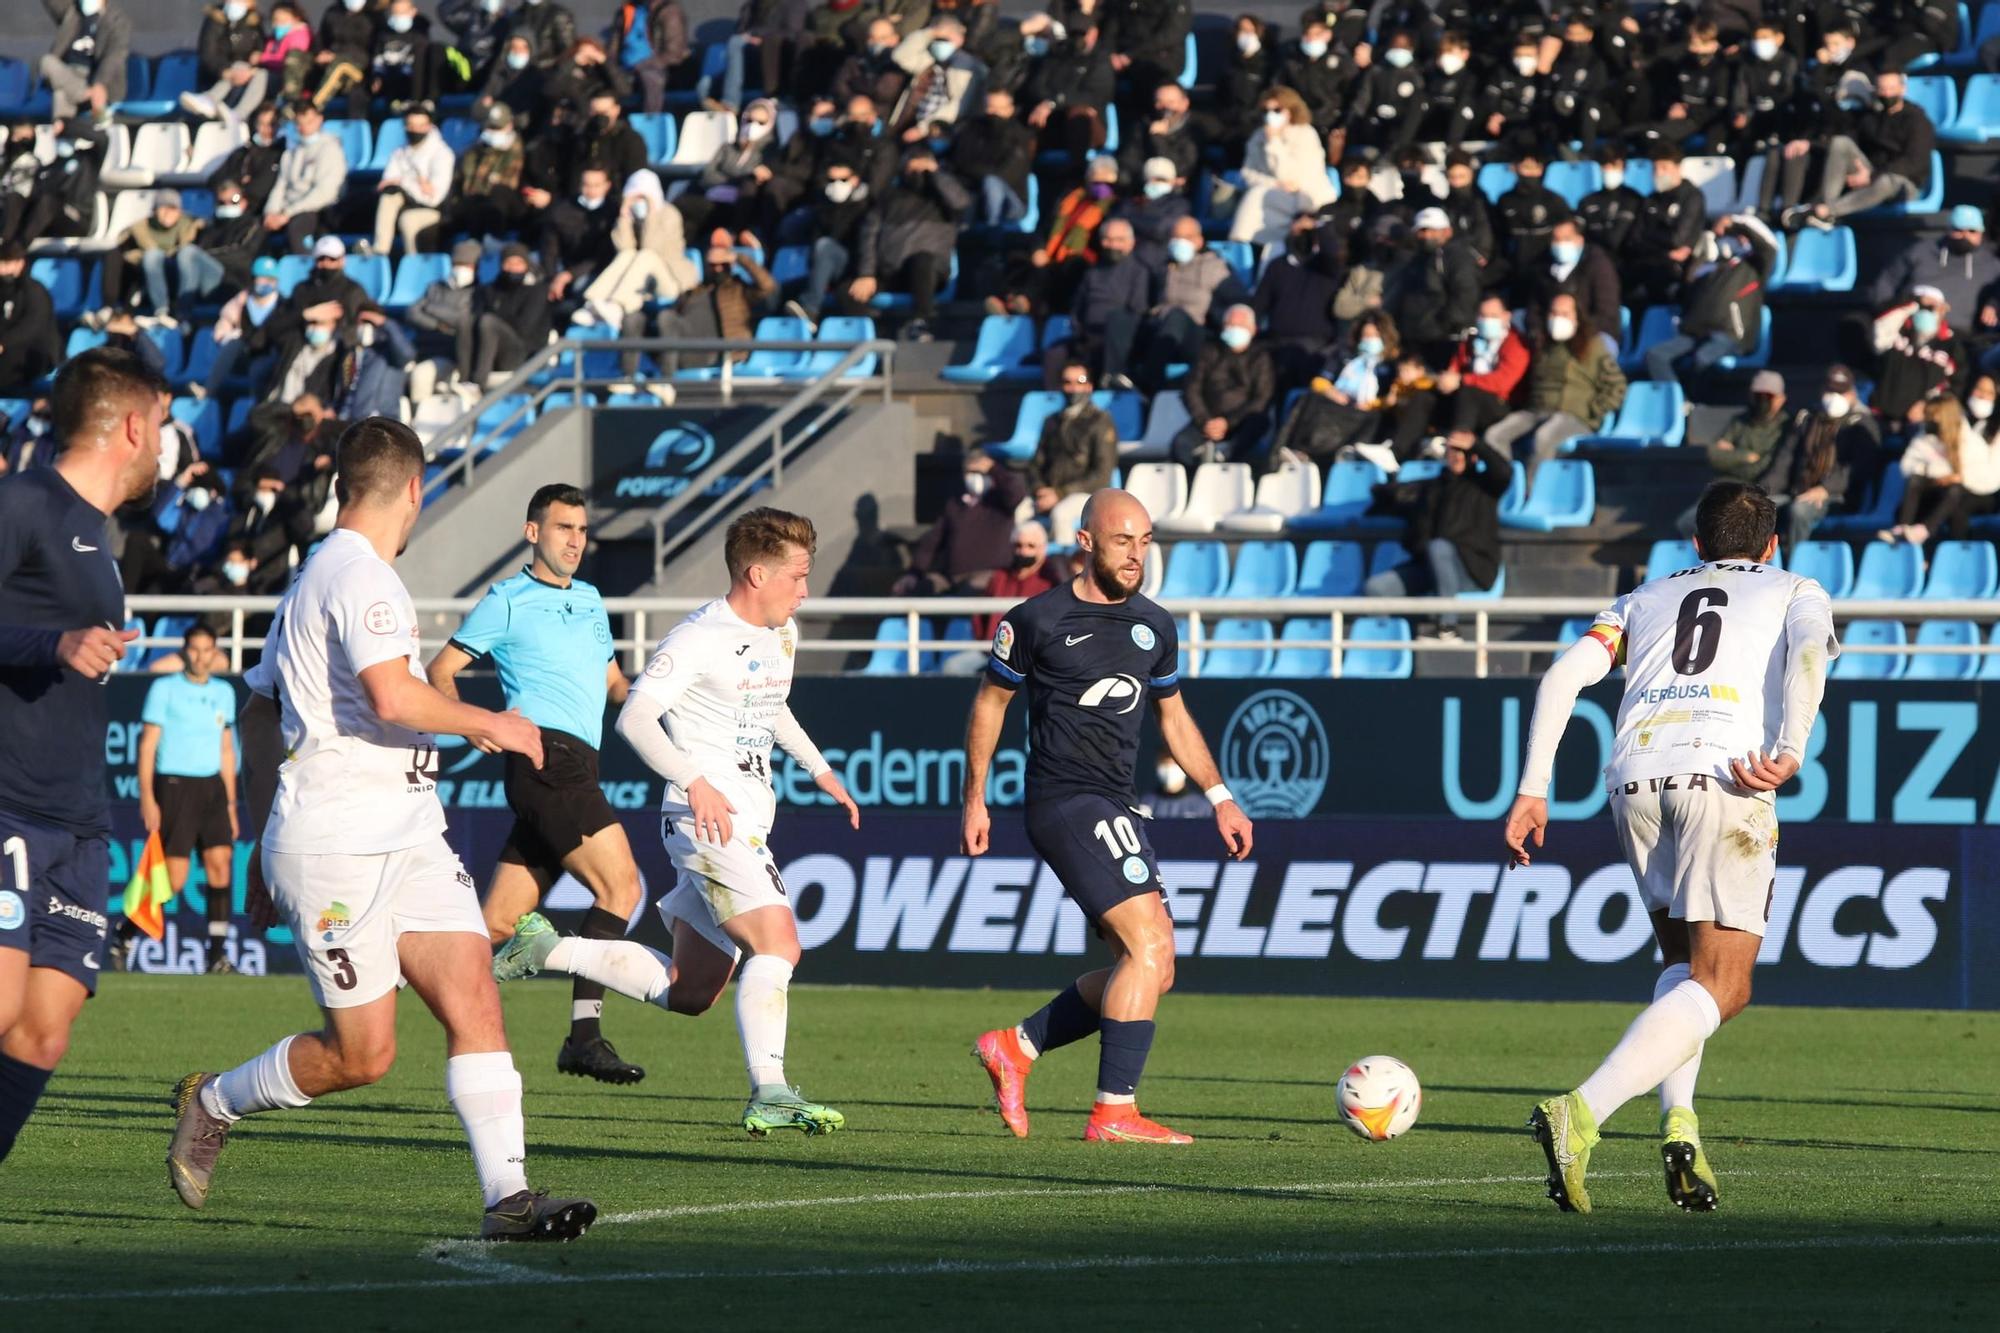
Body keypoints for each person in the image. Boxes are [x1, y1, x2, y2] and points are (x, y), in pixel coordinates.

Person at [165, 417, 595, 1240]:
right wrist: (492, 723)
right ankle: (213, 1098)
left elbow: (257, 712)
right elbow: (395, 698)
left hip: (409, 832)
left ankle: (508, 1196)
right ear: (414, 489)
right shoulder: (359, 577)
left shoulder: (313, 576)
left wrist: (261, 829)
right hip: (338, 845)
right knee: (364, 1055)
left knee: (474, 996)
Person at [1507, 480, 1839, 1215]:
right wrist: (1790, 748)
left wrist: (1533, 787)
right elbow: (1812, 650)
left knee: (1683, 967)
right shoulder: (1794, 587)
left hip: (1635, 779)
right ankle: (1581, 1110)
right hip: (1724, 776)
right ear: (1772, 543)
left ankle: (1680, 1128)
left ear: (1697, 544)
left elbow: (1563, 675)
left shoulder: (1643, 597)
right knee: (1728, 985)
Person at [498, 509, 863, 1137]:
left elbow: (770, 707)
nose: (805, 590)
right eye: (798, 576)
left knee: (689, 991)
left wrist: (820, 769)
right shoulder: (698, 638)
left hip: (746, 816)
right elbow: (635, 717)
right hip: (706, 821)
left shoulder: (782, 632)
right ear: (757, 573)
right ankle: (770, 1090)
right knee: (779, 944)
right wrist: (695, 781)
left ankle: (545, 947)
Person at [966, 488, 1253, 1145]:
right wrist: (975, 796)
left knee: (1151, 963)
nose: (1136, 554)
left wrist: (1219, 795)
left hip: (1115, 801)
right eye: (1123, 541)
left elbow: (1172, 716)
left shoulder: (1155, 625)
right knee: (1150, 943)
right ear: (1086, 541)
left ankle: (1018, 1045)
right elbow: (991, 705)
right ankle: (1113, 1112)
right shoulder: (1035, 619)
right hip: (1065, 800)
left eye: (1146, 541)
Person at [0, 348, 164, 1165]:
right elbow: (33, 641)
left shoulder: (100, 539)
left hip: (80, 826)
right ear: (133, 425)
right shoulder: (24, 501)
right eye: (163, 424)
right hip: (9, 806)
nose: (166, 445)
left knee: (43, 1030)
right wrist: (52, 641)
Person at [427, 485, 650, 1084]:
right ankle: (584, 1037)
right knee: (621, 888)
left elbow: (614, 685)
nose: (575, 541)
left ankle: (395, 974)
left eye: (581, 530)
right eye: (562, 529)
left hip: (577, 766)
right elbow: (440, 672)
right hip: (547, 761)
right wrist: (476, 726)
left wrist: (672, 703)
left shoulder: (594, 600)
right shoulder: (507, 599)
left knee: (496, 925)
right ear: (533, 533)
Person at [137, 625, 240, 974]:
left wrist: (230, 803)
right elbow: (148, 744)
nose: (200, 656)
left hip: (212, 788)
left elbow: (227, 750)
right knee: (175, 880)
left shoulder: (224, 692)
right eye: (194, 649)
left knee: (222, 865)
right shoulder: (164, 689)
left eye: (206, 649)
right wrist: (147, 797)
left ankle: (217, 956)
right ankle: (124, 932)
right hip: (176, 784)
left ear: (215, 653)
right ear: (184, 652)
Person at [1363, 432, 1514, 631]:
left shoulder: (1485, 486)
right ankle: (1383, 647)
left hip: (1472, 570)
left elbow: (1504, 473)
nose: (1457, 456)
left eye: (1463, 452)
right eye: (1453, 452)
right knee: (1376, 588)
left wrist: (1477, 445)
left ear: (1474, 456)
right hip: (1430, 568)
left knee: (1439, 547)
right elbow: (1384, 493)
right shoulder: (1431, 488)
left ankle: (1447, 627)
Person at [1485, 295, 1627, 478]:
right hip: (1536, 411)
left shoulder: (1593, 346)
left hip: (1574, 416)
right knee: (1494, 436)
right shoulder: (1542, 345)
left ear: (1577, 317)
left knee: (1545, 437)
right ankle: (1509, 485)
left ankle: (1532, 492)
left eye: (1564, 314)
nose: (1558, 318)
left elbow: (1617, 386)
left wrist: (1593, 409)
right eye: (1554, 313)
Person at [1785, 68, 1936, 229]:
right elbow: (1850, 138)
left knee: (1886, 181)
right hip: (1871, 172)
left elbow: (1914, 163)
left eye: (1891, 89)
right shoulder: (1872, 116)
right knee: (1840, 142)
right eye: (1882, 89)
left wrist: (1872, 175)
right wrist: (1809, 144)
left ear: (1902, 89)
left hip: (1902, 182)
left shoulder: (1918, 121)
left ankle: (1826, 210)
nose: (1886, 94)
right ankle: (1826, 208)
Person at [1645, 214, 1780, 389]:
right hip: (1693, 333)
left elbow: (1768, 248)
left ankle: (1694, 400)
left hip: (1729, 334)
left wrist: (1734, 225)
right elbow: (1683, 291)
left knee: (1703, 357)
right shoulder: (1704, 268)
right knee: (1655, 356)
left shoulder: (1754, 265)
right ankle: (1677, 400)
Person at [1756, 364, 1879, 551]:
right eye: (1830, 390)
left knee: (1799, 510)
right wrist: (1761, 492)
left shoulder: (1861, 424)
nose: (1834, 397)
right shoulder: (1807, 418)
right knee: (1758, 507)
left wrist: (1826, 489)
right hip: (1799, 490)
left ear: (1852, 393)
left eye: (1841, 392)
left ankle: (1794, 563)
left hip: (1838, 496)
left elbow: (1859, 467)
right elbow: (1785, 461)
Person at [1675, 370, 1792, 536]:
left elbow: (1762, 467)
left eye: (1768, 396)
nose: (1762, 401)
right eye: (1758, 395)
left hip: (1759, 492)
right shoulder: (1740, 421)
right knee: (1687, 524)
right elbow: (1714, 455)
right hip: (1726, 489)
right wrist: (1746, 456)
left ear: (1781, 399)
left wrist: (1733, 457)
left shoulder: (1786, 428)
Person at [895, 453, 1028, 596]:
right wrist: (914, 573)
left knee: (969, 592)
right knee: (918, 590)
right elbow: (932, 541)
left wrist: (993, 469)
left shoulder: (1001, 502)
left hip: (987, 575)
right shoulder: (955, 504)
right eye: (971, 472)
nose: (975, 477)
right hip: (951, 576)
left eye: (980, 473)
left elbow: (1016, 492)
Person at [1229, 86, 1333, 246]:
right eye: (1266, 111)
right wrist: (1273, 184)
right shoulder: (1258, 137)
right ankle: (1242, 249)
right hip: (1273, 194)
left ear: (1291, 110)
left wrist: (1274, 142)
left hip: (1306, 198)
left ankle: (1241, 245)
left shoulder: (1306, 134)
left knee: (1255, 198)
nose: (1271, 115)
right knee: (1255, 197)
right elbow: (1248, 173)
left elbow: (1289, 176)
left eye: (1277, 110)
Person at [1872, 205, 2000, 328]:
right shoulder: (1921, 251)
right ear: (1948, 230)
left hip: (1961, 335)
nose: (1965, 235)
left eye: (1972, 231)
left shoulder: (1992, 263)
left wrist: (1993, 304)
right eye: (1958, 230)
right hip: (1910, 326)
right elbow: (1888, 281)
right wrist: (1886, 311)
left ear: (1981, 233)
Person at [367, 102, 456, 258]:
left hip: (434, 211)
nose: (415, 130)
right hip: (404, 203)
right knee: (389, 195)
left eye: (421, 126)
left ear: (429, 126)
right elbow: (386, 184)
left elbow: (433, 197)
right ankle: (380, 251)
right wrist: (417, 182)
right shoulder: (399, 153)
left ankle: (413, 266)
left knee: (408, 220)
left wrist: (403, 181)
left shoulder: (442, 154)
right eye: (411, 125)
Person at [1028, 360, 1118, 514]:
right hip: (1049, 493)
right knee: (1018, 511)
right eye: (1067, 382)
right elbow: (1036, 463)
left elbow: (1102, 474)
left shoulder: (1100, 420)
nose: (1074, 388)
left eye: (1080, 382)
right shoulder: (1052, 421)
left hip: (1084, 494)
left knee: (1061, 514)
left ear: (1089, 386)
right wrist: (1040, 489)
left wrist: (1061, 493)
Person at [263, 101, 349, 255]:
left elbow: (324, 194)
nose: (303, 127)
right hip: (287, 209)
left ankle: (302, 271)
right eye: (299, 123)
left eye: (308, 122)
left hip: (316, 209)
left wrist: (287, 213)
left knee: (296, 230)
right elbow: (280, 186)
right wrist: (271, 212)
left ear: (319, 120)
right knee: (256, 228)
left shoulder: (330, 149)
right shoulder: (291, 152)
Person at [40, 0, 132, 126]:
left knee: (61, 92)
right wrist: (90, 92)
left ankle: (64, 133)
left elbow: (114, 57)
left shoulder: (116, 20)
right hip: (70, 74)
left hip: (95, 77)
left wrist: (99, 84)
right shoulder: (73, 14)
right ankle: (86, 97)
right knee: (47, 63)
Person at [0, 244, 62, 391]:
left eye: (7, 264)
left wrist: (4, 342)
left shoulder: (34, 291)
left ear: (20, 264)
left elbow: (32, 326)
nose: (3, 269)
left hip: (33, 354)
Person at [1144, 758, 1211, 819]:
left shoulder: (1202, 806)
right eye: (1164, 762)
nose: (1169, 767)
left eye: (1175, 762)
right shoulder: (1145, 804)